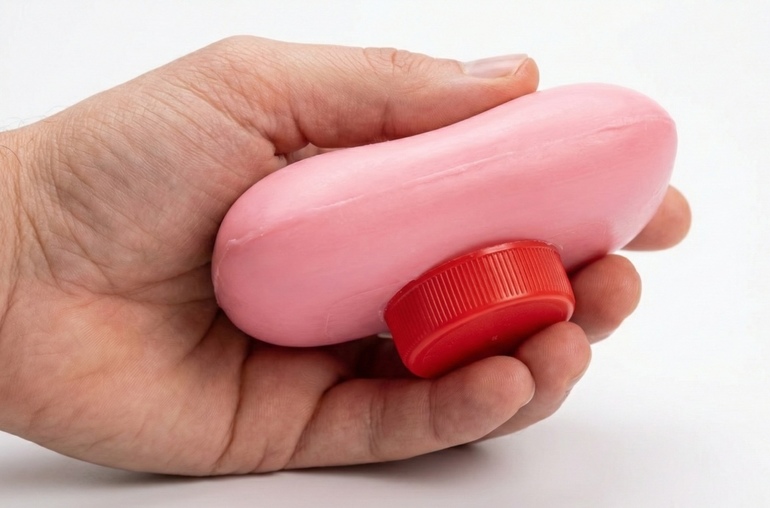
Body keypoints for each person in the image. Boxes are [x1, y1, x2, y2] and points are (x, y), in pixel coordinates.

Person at [0, 37, 691, 475]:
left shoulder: (274, 289)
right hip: (284, 282)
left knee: (509, 379)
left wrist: (27, 244)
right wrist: (30, 228)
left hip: (286, 291)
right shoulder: (271, 270)